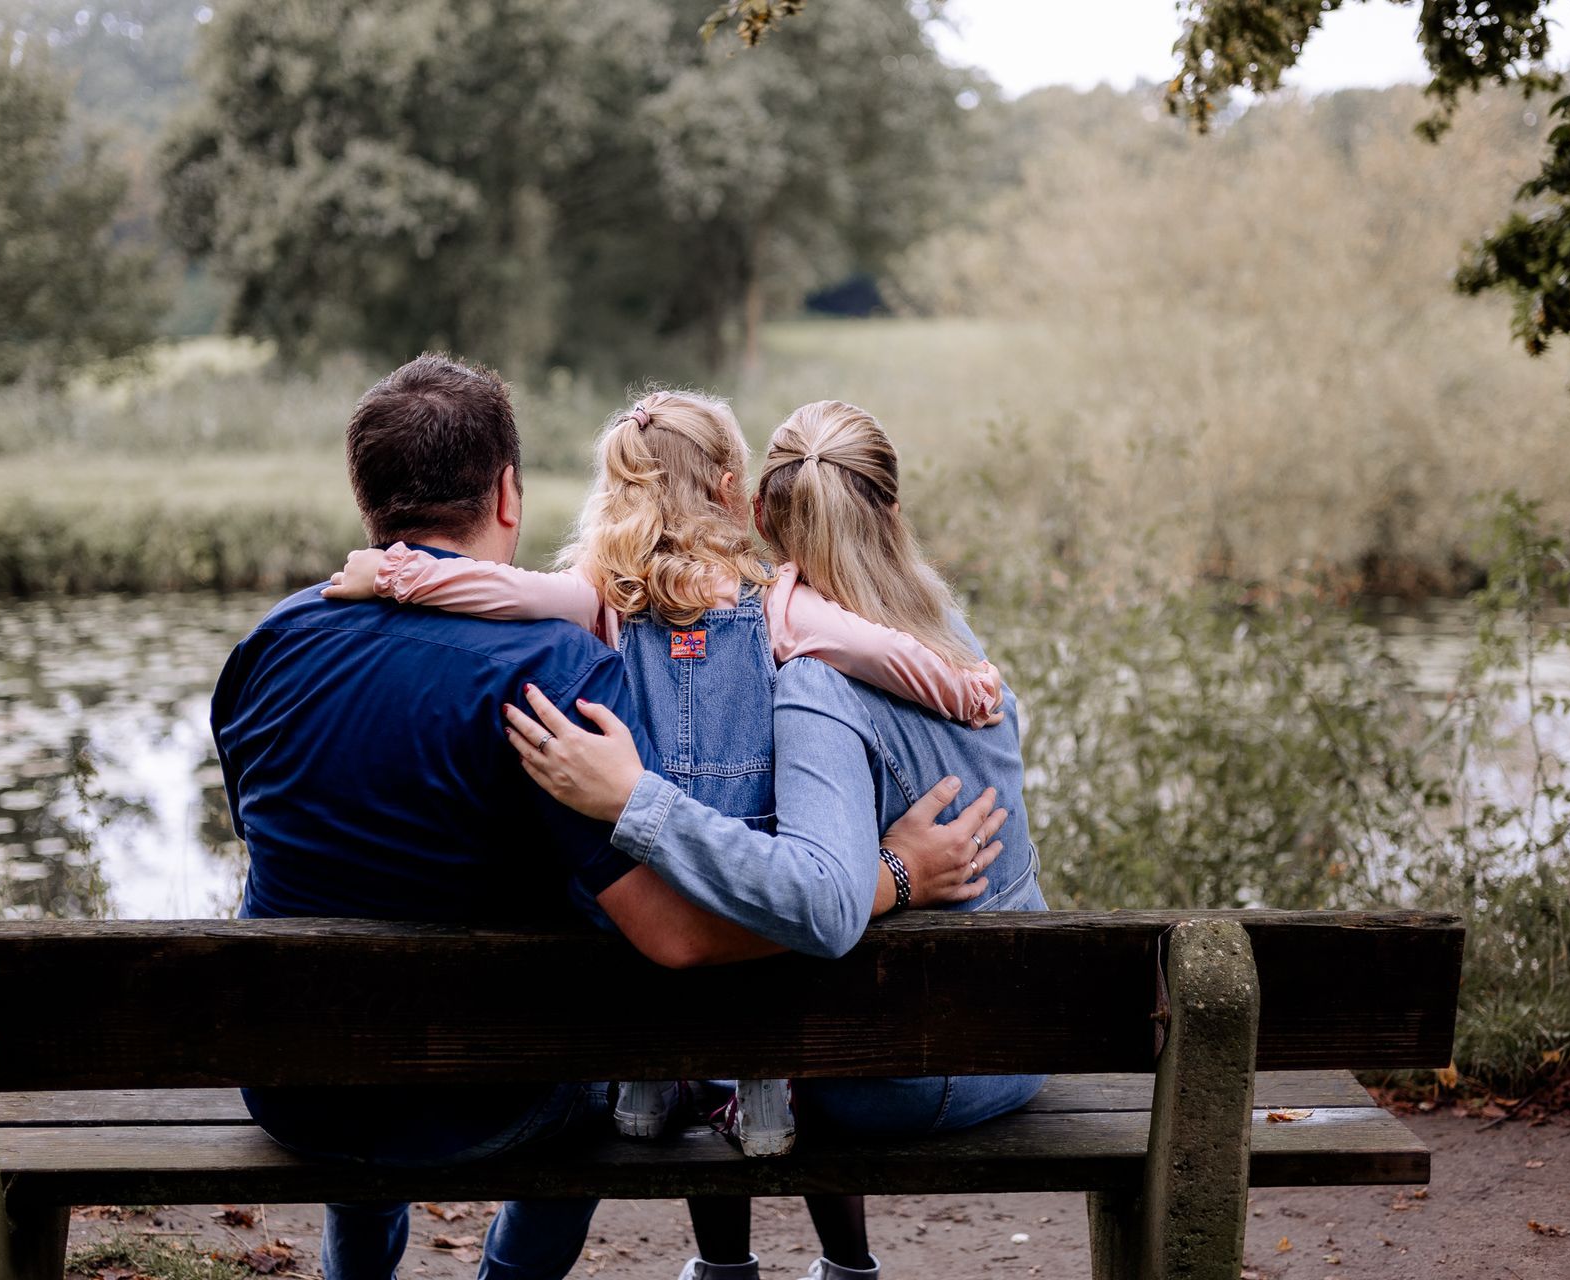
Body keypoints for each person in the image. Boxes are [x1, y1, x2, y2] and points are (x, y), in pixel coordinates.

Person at [210, 357, 999, 1280]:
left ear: (365, 497)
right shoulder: (549, 670)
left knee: (364, 1055)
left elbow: (270, 836)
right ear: (508, 491)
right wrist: (891, 875)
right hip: (487, 1099)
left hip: (293, 1083)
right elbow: (677, 939)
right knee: (588, 1086)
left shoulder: (271, 644)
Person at [500, 399, 1048, 1280]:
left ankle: (735, 1265)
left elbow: (817, 904)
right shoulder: (946, 633)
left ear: (760, 510)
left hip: (895, 1070)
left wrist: (398, 573)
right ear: (892, 508)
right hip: (1026, 1028)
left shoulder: (808, 683)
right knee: (755, 919)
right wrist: (900, 863)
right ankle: (836, 1265)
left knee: (739, 939)